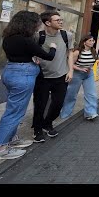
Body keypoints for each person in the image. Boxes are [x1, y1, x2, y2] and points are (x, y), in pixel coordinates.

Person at [0, 11, 56, 161]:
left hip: (10, 72)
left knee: (13, 109)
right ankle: (0, 147)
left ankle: (11, 139)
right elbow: (49, 56)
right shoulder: (26, 40)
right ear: (29, 23)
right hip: (22, 76)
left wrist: (31, 57)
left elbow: (20, 54)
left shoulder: (8, 38)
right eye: (36, 23)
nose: (38, 26)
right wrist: (53, 47)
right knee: (14, 113)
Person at [32, 11, 74, 143]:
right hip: (43, 76)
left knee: (58, 104)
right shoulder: (38, 36)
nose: (61, 22)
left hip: (62, 76)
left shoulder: (67, 35)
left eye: (61, 20)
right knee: (40, 104)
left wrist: (71, 71)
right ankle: (37, 129)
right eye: (57, 20)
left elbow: (70, 54)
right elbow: (31, 52)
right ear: (47, 23)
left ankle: (47, 123)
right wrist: (33, 58)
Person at [60, 35, 98, 120]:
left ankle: (91, 113)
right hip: (77, 74)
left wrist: (89, 68)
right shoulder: (77, 52)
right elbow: (70, 64)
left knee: (92, 94)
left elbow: (93, 61)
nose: (92, 42)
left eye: (93, 40)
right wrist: (80, 68)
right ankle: (65, 113)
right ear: (84, 42)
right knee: (71, 94)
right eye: (90, 40)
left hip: (89, 74)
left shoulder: (93, 51)